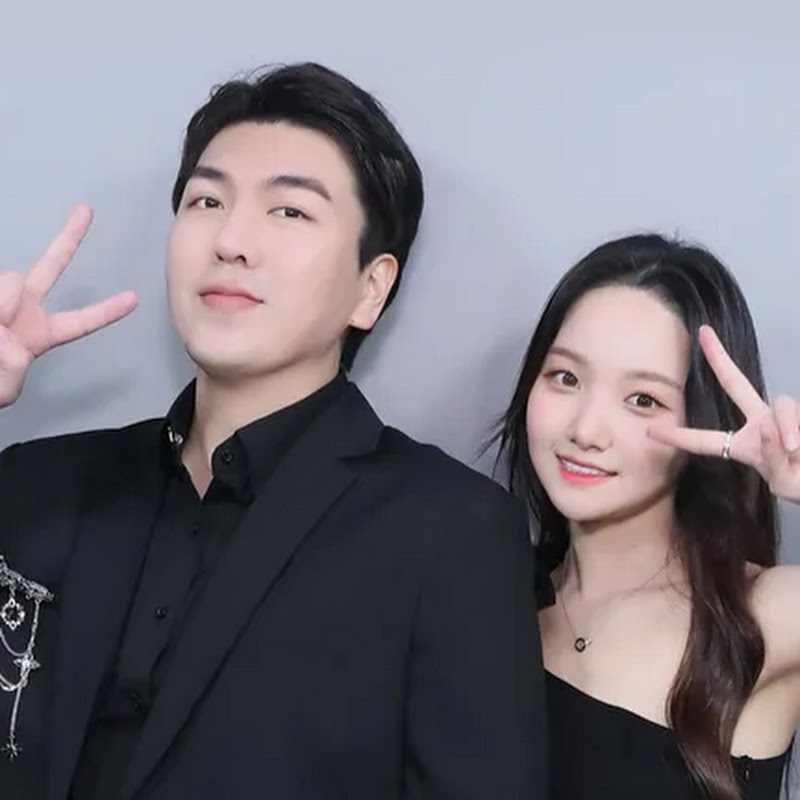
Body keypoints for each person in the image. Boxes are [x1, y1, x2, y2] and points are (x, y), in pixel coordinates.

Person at [0, 62, 546, 800]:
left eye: (289, 211)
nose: (231, 239)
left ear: (370, 287)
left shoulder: (451, 533)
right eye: (206, 200)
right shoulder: (37, 483)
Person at [492, 233, 799, 799]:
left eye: (643, 400)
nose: (586, 430)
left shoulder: (764, 615)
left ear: (706, 421)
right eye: (565, 377)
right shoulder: (489, 599)